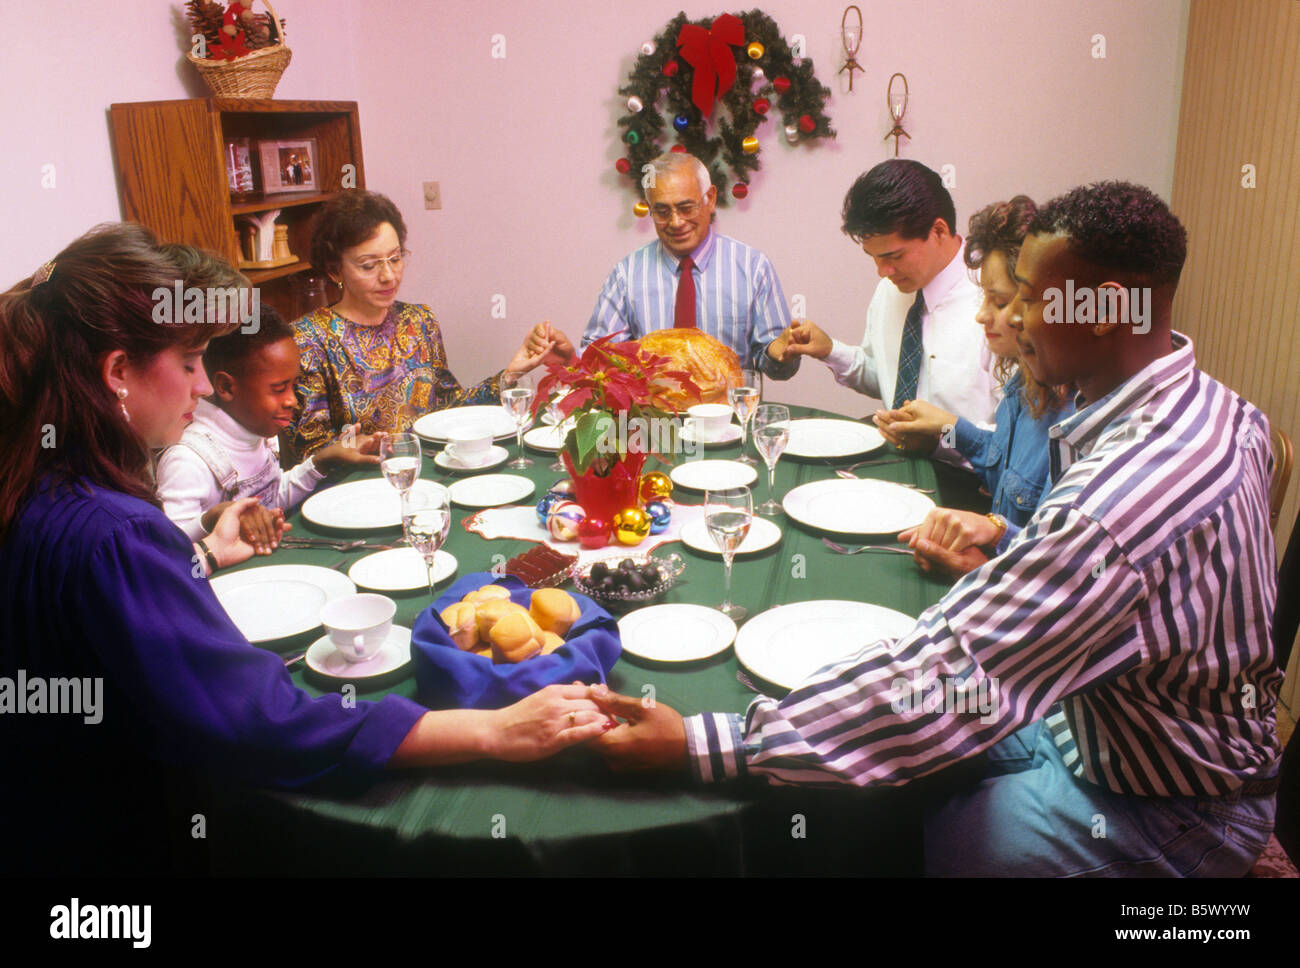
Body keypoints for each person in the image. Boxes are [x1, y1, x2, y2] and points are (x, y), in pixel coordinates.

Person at [583, 182, 1282, 877]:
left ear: (1102, 313)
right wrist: (1012, 546)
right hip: (1103, 725)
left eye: (1027, 298)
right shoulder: (1217, 406)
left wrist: (706, 743)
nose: (1009, 319)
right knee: (884, 762)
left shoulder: (1115, 506)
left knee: (891, 833)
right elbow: (1139, 588)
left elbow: (946, 677)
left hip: (1171, 805)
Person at [0, 223, 611, 873]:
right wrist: (493, 731)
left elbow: (112, 633)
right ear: (118, 372)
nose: (203, 387)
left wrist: (201, 559)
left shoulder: (36, 484)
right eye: (187, 364)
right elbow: (259, 718)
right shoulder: (117, 533)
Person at [872, 197, 1071, 571]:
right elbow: (996, 462)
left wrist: (985, 554)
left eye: (999, 301)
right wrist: (945, 431)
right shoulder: (1021, 386)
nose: (982, 316)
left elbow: (1053, 567)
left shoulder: (1073, 425)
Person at [287, 191, 558, 459]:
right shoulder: (309, 340)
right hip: (357, 488)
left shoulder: (418, 322)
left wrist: (509, 374)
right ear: (335, 271)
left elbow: (448, 412)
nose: (389, 276)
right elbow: (308, 451)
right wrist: (352, 445)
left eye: (395, 258)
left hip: (427, 474)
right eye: (369, 266)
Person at [779, 159, 999, 455]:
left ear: (938, 230)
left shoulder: (994, 300)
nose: (882, 271)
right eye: (873, 257)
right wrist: (830, 351)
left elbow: (1011, 444)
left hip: (967, 481)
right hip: (900, 462)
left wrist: (940, 440)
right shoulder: (891, 290)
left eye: (894, 256)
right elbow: (886, 378)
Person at [157, 299, 384, 552]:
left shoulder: (254, 426)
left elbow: (270, 498)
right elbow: (169, 548)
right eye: (278, 389)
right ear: (226, 387)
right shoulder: (188, 460)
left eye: (293, 386)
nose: (292, 401)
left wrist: (322, 461)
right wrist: (214, 518)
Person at [575, 152, 800, 379]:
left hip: (730, 411)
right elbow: (599, 355)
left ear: (710, 198)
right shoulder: (627, 274)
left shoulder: (753, 268)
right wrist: (569, 360)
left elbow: (777, 366)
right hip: (652, 413)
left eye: (686, 208)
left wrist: (782, 354)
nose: (676, 222)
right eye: (662, 212)